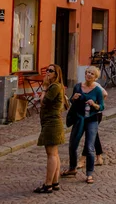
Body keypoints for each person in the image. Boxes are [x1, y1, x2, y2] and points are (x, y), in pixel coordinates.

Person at [61, 66, 104, 184]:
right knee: (72, 145)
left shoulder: (97, 90)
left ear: (95, 77)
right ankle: (72, 168)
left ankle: (89, 174)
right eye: (87, 72)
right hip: (79, 119)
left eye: (92, 73)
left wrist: (94, 105)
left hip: (92, 120)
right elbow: (71, 102)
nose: (89, 74)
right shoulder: (78, 86)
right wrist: (73, 98)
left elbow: (102, 106)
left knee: (90, 148)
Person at [34, 63, 65, 194]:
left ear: (56, 74)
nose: (48, 72)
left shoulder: (54, 87)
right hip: (52, 122)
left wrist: (45, 87)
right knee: (55, 153)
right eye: (47, 70)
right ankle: (55, 182)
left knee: (51, 154)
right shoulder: (57, 86)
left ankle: (48, 184)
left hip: (52, 123)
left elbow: (44, 101)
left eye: (51, 71)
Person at [77, 82, 108, 169]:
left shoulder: (95, 85)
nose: (88, 75)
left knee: (89, 136)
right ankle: (99, 157)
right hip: (89, 114)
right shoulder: (84, 85)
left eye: (91, 73)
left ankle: (82, 159)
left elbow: (105, 94)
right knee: (94, 136)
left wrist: (97, 103)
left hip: (95, 114)